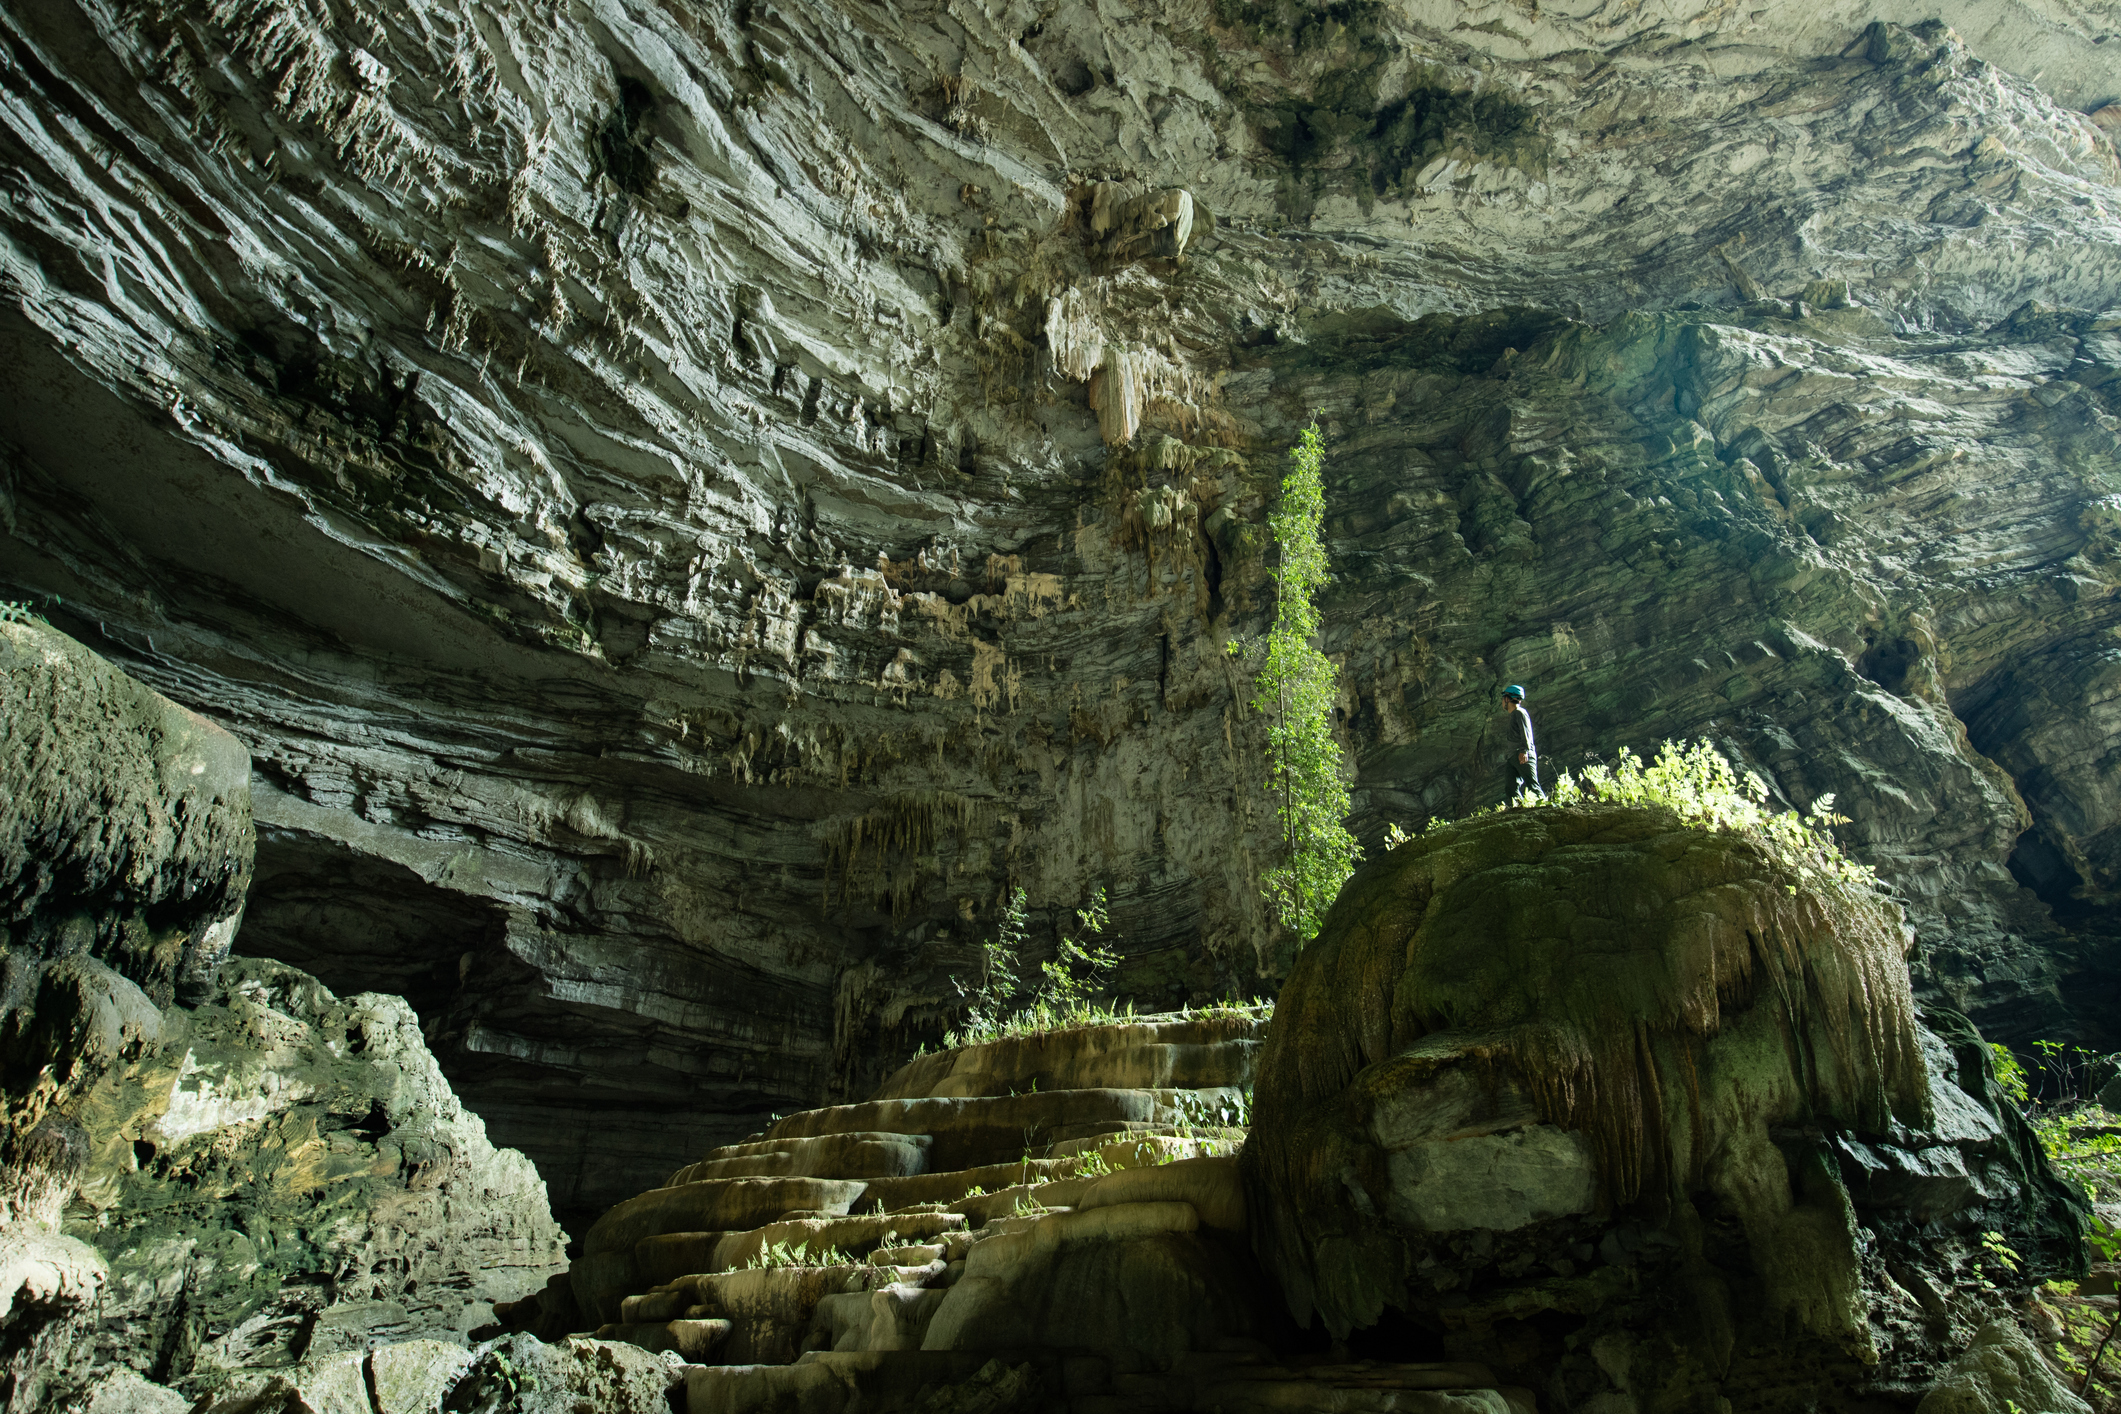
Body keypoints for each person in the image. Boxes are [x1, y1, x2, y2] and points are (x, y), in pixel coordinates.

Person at [1502, 685, 1541, 801]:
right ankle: (1520, 809)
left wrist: (1524, 750)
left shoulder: (1519, 713)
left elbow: (1527, 733)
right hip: (1513, 757)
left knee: (1533, 787)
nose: (1502, 701)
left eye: (1503, 698)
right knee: (1510, 788)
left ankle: (1548, 809)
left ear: (1507, 699)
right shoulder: (1515, 714)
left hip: (1523, 755)